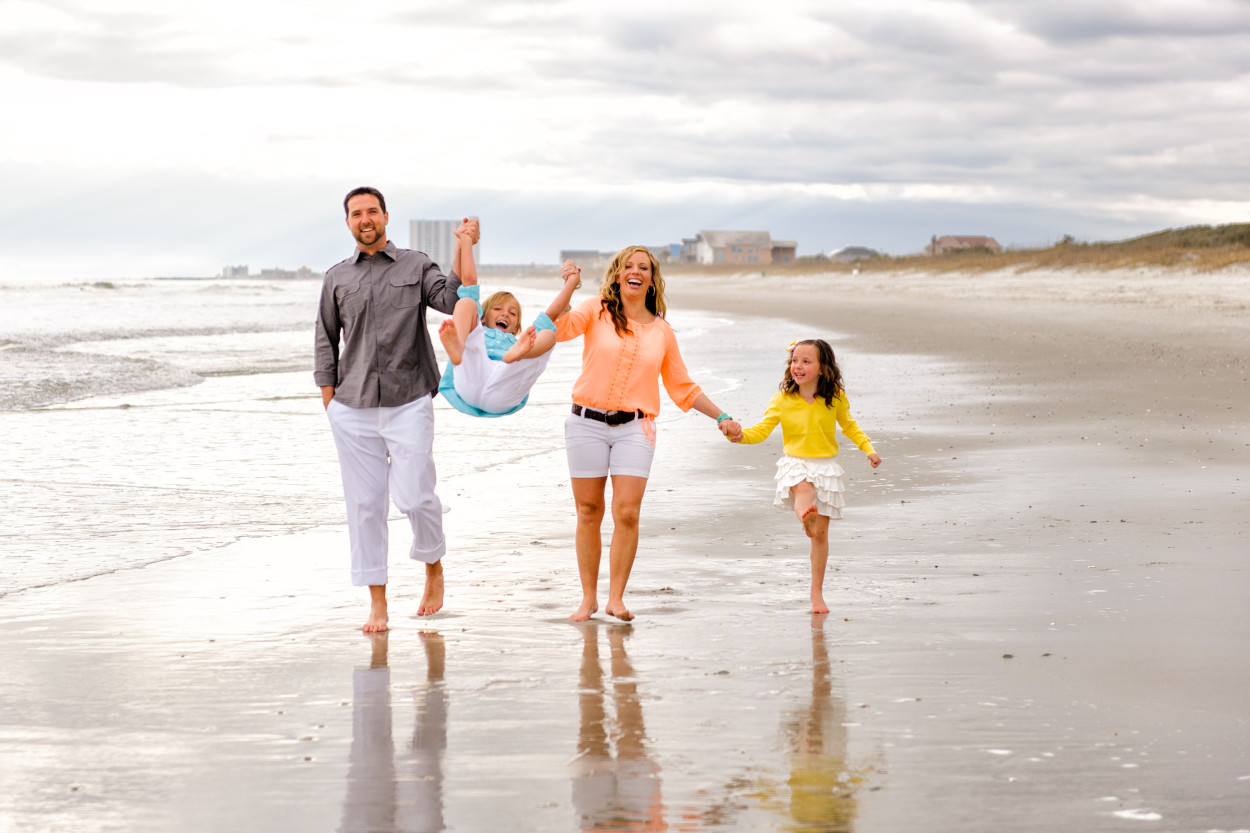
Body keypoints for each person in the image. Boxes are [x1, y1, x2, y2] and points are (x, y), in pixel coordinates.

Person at [314, 185, 475, 632]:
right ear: (348, 222)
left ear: (385, 216)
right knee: (365, 507)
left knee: (415, 497)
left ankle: (432, 566)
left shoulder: (416, 264)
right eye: (355, 214)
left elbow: (451, 298)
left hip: (409, 400)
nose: (365, 220)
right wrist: (330, 401)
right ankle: (377, 604)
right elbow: (325, 341)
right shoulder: (336, 278)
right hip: (352, 406)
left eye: (372, 211)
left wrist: (464, 247)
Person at [554, 245, 741, 622]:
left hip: (635, 429)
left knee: (627, 513)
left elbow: (683, 388)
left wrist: (721, 416)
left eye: (644, 267)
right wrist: (569, 288)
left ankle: (616, 598)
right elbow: (556, 330)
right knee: (588, 511)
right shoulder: (596, 310)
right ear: (618, 275)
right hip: (585, 424)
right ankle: (588, 599)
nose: (635, 272)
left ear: (652, 279)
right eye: (628, 266)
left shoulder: (663, 333)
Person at [728, 338, 882, 615]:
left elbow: (850, 427)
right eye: (794, 361)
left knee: (821, 536)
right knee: (803, 489)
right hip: (796, 463)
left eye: (806, 361)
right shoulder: (783, 400)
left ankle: (816, 594)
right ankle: (805, 518)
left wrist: (868, 449)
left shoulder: (834, 399)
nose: (798, 366)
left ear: (823, 368)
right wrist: (740, 436)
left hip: (826, 466)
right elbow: (761, 431)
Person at [437, 237, 582, 416]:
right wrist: (466, 241)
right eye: (497, 309)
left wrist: (571, 283)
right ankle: (458, 344)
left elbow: (551, 313)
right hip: (470, 377)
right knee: (466, 302)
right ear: (483, 317)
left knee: (549, 334)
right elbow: (468, 281)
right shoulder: (479, 331)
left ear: (515, 327)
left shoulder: (522, 340)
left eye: (513, 314)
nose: (505, 314)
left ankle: (519, 355)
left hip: (504, 388)